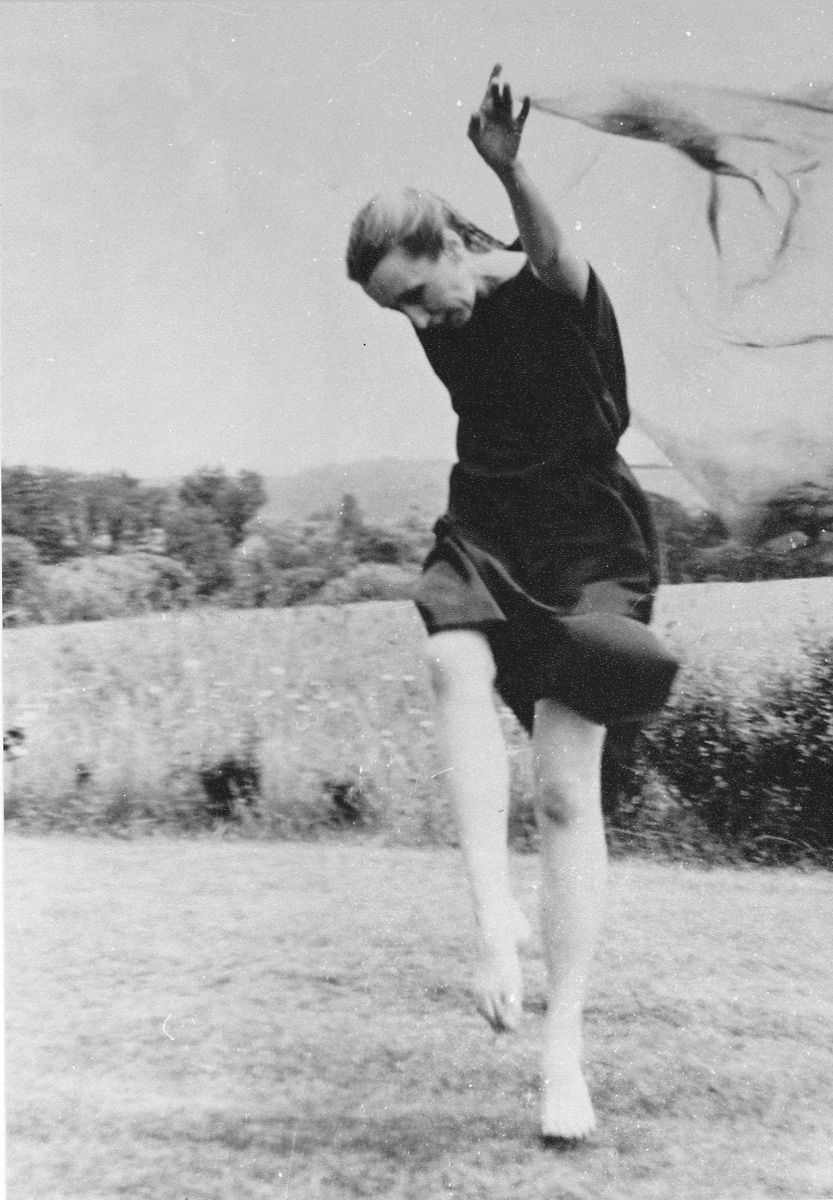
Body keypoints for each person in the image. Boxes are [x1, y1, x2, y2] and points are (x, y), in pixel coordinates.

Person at [346, 64, 678, 1143]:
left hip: (588, 535)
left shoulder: (544, 285)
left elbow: (548, 256)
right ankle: (492, 919)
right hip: (489, 518)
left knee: (565, 799)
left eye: (410, 290)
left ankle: (562, 1054)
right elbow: (457, 305)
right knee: (449, 658)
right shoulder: (434, 319)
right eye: (392, 305)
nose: (411, 317)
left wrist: (507, 164)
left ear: (449, 246)